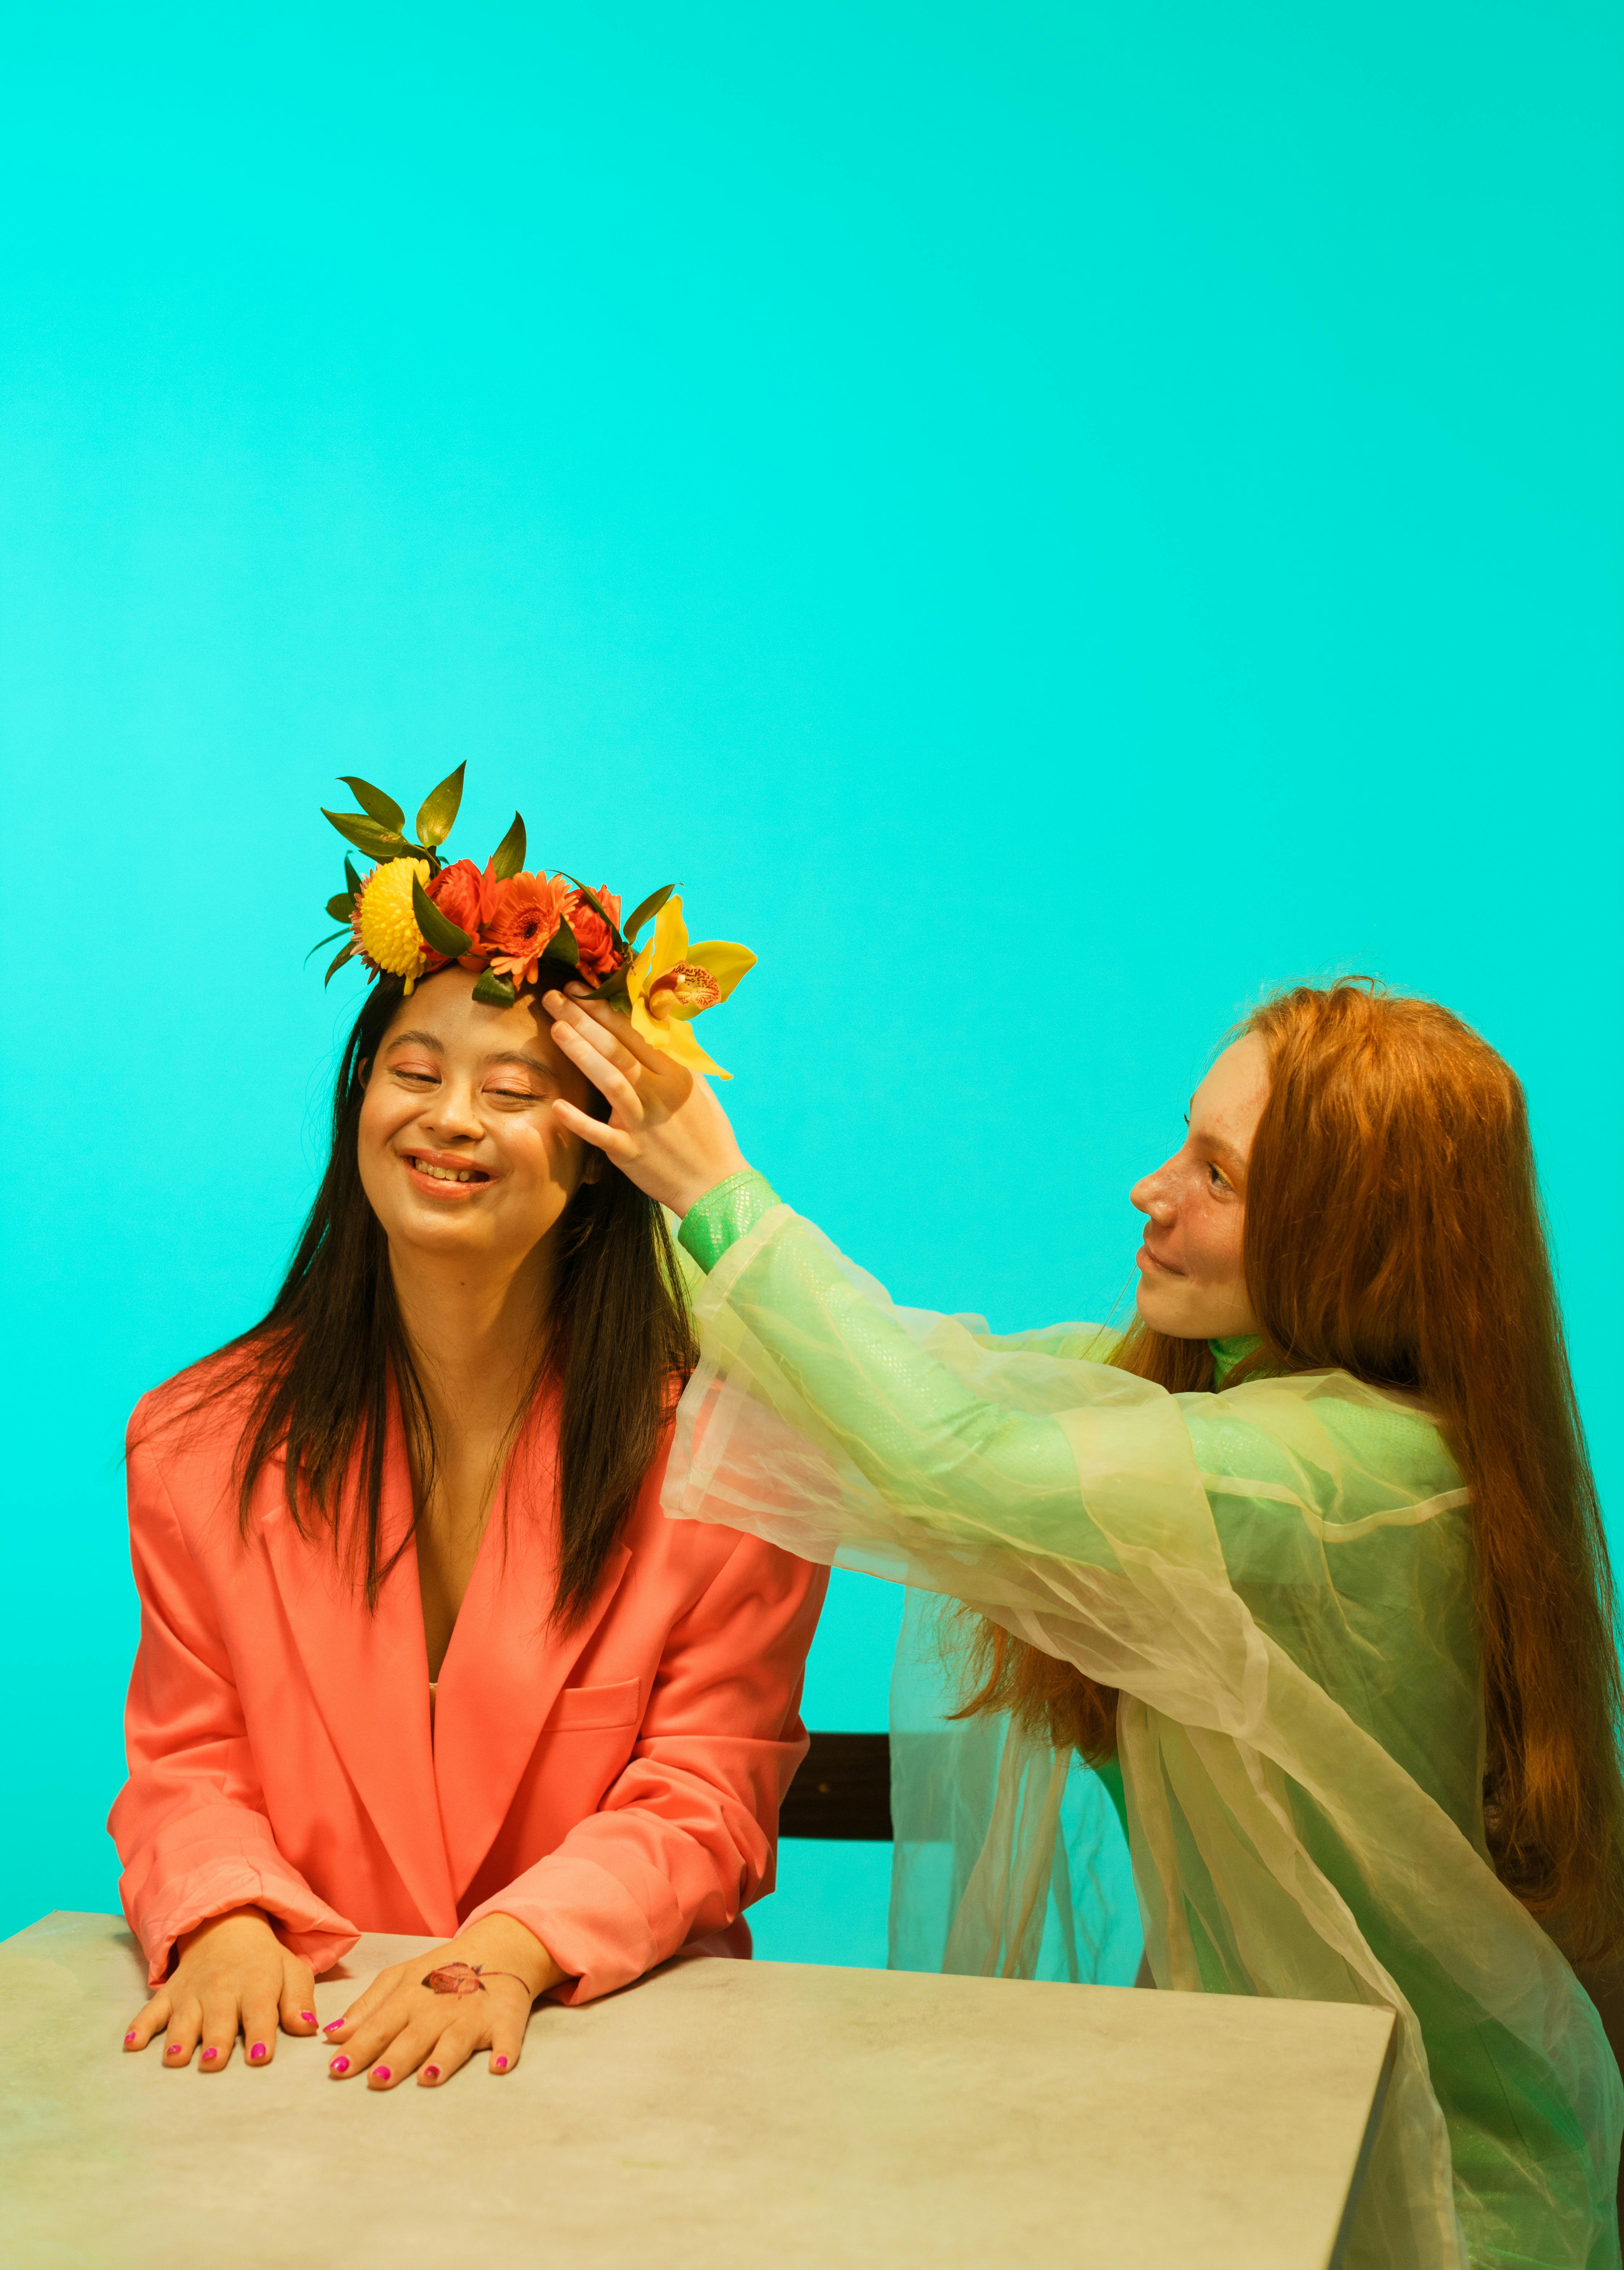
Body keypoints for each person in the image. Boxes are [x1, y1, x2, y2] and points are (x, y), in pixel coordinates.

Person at [540, 977, 1624, 2270]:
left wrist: (711, 1187)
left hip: (1435, 2193)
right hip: (1269, 2133)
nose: (1151, 1191)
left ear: (1358, 1235)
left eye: (1219, 1177)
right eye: (1188, 1144)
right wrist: (618, 1149)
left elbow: (951, 1449)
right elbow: (914, 1368)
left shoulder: (1335, 1474)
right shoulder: (1224, 1402)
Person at [114, 771, 823, 2090]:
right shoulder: (198, 1442)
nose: (449, 1118)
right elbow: (189, 1757)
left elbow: (707, 1793)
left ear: (602, 1151)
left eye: (513, 1091)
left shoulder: (735, 1463)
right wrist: (223, 1911)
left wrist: (504, 1950)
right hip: (312, 2075)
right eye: (416, 1071)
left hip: (611, 2068)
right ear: (359, 1105)